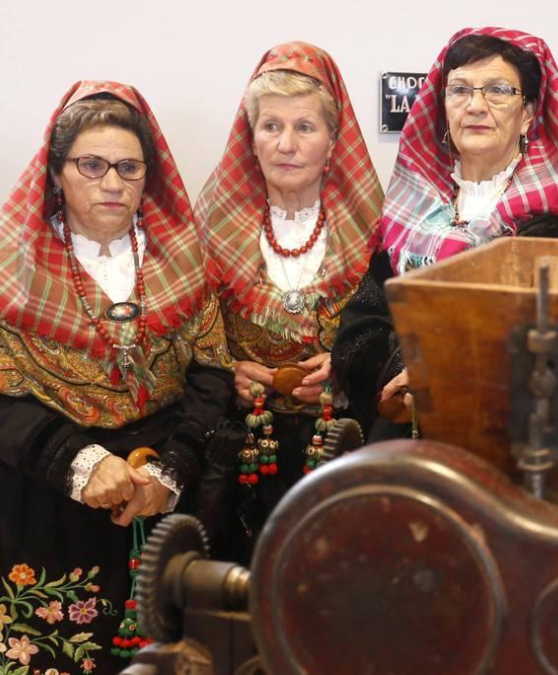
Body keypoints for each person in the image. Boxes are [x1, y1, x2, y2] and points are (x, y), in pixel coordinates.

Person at [0, 81, 234, 675]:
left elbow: (213, 379)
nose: (112, 183)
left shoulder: (188, 266)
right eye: (91, 165)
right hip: (37, 513)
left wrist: (171, 473)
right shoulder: (1, 272)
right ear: (56, 172)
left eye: (128, 168)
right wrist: (78, 463)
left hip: (155, 508)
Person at [332, 27, 558, 441]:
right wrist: (401, 374)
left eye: (498, 90)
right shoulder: (412, 208)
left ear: (530, 113)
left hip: (514, 440)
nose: (476, 106)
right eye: (459, 90)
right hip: (406, 430)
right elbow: (363, 325)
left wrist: (448, 378)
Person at [194, 42, 383, 564]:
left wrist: (349, 365)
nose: (287, 144)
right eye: (271, 126)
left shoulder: (377, 229)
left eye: (305, 127)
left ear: (332, 139)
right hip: (240, 455)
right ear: (250, 139)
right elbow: (178, 340)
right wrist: (227, 368)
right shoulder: (207, 228)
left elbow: (395, 336)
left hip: (346, 445)